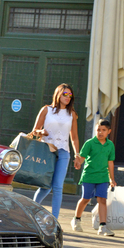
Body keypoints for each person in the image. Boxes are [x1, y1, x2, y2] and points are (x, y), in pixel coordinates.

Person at [30, 83, 80, 219]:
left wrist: (77, 154)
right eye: (65, 94)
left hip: (64, 151)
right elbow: (34, 132)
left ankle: (55, 221)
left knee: (58, 187)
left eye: (70, 95)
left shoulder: (72, 114)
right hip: (47, 150)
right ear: (58, 95)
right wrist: (41, 132)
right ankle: (31, 213)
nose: (68, 97)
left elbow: (74, 137)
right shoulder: (46, 110)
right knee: (46, 185)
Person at [71, 119, 117, 236]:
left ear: (109, 131)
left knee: (102, 200)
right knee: (86, 199)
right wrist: (78, 162)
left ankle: (103, 226)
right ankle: (76, 219)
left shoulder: (110, 145)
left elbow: (110, 162)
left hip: (103, 178)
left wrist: (112, 178)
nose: (100, 132)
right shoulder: (89, 143)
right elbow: (82, 157)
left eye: (103, 130)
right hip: (89, 176)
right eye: (98, 130)